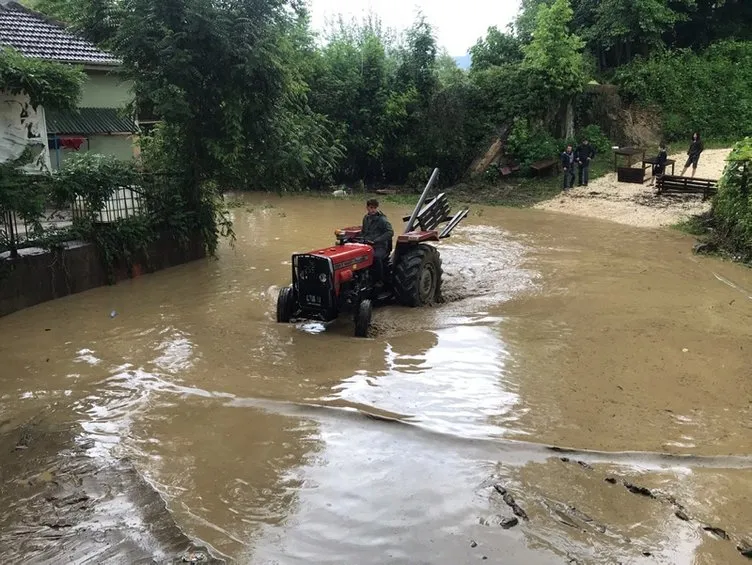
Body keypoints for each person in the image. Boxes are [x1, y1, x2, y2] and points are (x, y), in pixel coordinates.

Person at [361, 199, 394, 287]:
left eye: (375, 208)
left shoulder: (382, 219)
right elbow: (364, 232)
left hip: (380, 246)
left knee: (375, 257)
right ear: (367, 208)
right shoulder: (366, 218)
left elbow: (390, 232)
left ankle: (379, 280)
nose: (373, 210)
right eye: (371, 208)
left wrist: (377, 240)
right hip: (368, 244)